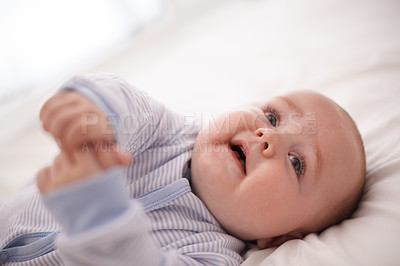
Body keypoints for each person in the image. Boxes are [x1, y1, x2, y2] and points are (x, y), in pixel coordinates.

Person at [0, 73, 365, 265]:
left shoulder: (211, 256)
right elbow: (130, 102)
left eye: (296, 163)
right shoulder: (168, 132)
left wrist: (100, 217)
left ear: (283, 238)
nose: (268, 136)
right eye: (272, 115)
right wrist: (95, 110)